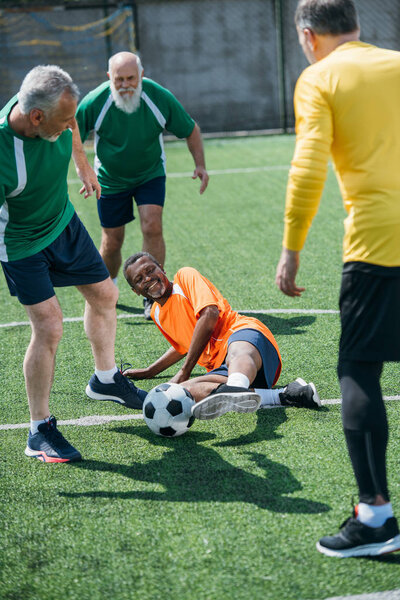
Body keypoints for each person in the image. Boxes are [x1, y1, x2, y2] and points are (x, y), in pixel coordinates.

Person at [275, 0, 400, 558]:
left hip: (378, 245)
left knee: (359, 369)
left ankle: (375, 517)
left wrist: (292, 251)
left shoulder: (319, 77)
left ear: (308, 35)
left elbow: (308, 168)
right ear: (356, 25)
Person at [0, 65, 146, 464]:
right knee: (48, 326)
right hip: (21, 241)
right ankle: (39, 429)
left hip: (62, 222)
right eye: (64, 122)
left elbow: (72, 123)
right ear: (35, 118)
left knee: (105, 294)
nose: (71, 126)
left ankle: (105, 380)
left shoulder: (55, 111)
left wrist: (82, 161)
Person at [75, 51, 209, 319]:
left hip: (150, 173)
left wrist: (200, 165)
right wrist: (84, 169)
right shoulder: (95, 101)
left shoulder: (158, 97)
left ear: (142, 76)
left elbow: (190, 129)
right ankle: (107, 287)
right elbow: (72, 133)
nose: (125, 85)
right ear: (109, 78)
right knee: (112, 241)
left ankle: (153, 296)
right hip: (110, 179)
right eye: (119, 79)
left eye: (130, 79)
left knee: (152, 225)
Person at [123, 252, 321, 420]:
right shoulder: (157, 314)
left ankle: (235, 387)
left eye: (150, 270)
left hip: (244, 337)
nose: (147, 278)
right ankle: (287, 394)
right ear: (135, 291)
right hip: (224, 370)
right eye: (139, 279)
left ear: (162, 268)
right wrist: (150, 371)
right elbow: (183, 345)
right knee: (183, 392)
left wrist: (185, 371)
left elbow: (210, 314)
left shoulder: (185, 276)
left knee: (236, 353)